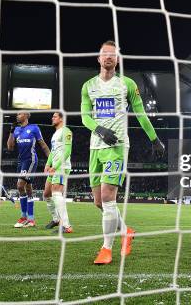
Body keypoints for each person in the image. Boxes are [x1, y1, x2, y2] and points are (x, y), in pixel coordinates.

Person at [81, 40, 165, 265]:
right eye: (104, 54)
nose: (108, 57)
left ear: (117, 60)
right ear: (98, 59)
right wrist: (99, 129)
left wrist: (155, 139)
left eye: (113, 54)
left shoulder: (127, 84)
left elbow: (140, 113)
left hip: (117, 147)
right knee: (99, 202)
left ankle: (106, 249)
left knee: (108, 197)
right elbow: (85, 117)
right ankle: (126, 231)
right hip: (95, 147)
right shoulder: (88, 86)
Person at [7, 112, 50, 228]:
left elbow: (43, 144)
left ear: (26, 116)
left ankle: (23, 217)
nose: (17, 115)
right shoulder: (16, 130)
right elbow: (10, 147)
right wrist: (11, 132)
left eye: (19, 114)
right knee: (28, 188)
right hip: (21, 161)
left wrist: (51, 160)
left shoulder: (34, 128)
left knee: (20, 185)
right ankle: (31, 219)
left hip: (30, 160)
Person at [43, 111, 73, 233]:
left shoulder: (66, 131)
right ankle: (56, 220)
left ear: (61, 119)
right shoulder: (55, 134)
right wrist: (47, 164)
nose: (52, 118)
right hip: (54, 166)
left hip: (61, 167)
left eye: (55, 116)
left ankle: (66, 226)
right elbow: (53, 152)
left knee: (56, 193)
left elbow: (68, 151)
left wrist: (56, 166)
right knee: (46, 194)